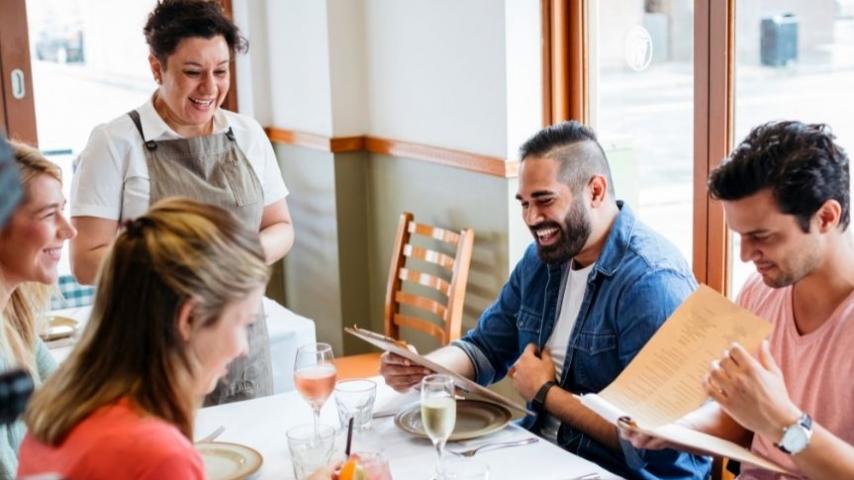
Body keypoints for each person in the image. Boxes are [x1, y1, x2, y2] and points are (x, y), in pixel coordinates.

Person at [380, 121, 710, 479]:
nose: (531, 218)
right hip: (540, 452)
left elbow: (647, 444)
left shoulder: (650, 282)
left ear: (595, 191)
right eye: (524, 203)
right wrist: (425, 370)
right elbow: (485, 347)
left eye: (545, 201)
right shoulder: (542, 260)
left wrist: (545, 393)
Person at [69, 0, 293, 404]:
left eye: (221, 71)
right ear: (157, 68)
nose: (210, 88)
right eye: (193, 73)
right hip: (151, 348)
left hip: (239, 342)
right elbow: (85, 262)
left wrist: (240, 254)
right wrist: (182, 262)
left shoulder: (246, 134)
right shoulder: (114, 142)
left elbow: (281, 227)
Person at [18, 198, 334, 480]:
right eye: (242, 323)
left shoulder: (57, 410)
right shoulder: (158, 455)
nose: (243, 348)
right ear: (189, 319)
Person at [621, 121, 854, 480]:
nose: (746, 255)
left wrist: (784, 424)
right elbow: (742, 421)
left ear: (826, 217)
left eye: (762, 236)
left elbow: (771, 421)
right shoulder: (759, 291)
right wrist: (670, 428)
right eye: (740, 237)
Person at [0, 142, 76, 477]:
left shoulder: (13, 314)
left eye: (63, 209)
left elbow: (64, 397)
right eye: (49, 214)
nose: (69, 229)